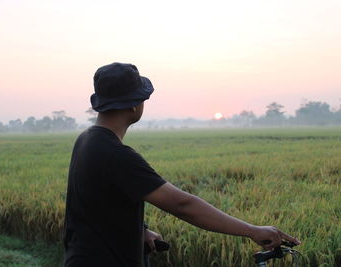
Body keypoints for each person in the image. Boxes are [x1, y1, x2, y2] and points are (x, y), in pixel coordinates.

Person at [63, 62, 300, 267]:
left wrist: (141, 230)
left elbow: (96, 202)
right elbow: (182, 204)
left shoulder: (87, 139)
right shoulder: (117, 155)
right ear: (134, 105)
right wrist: (253, 230)